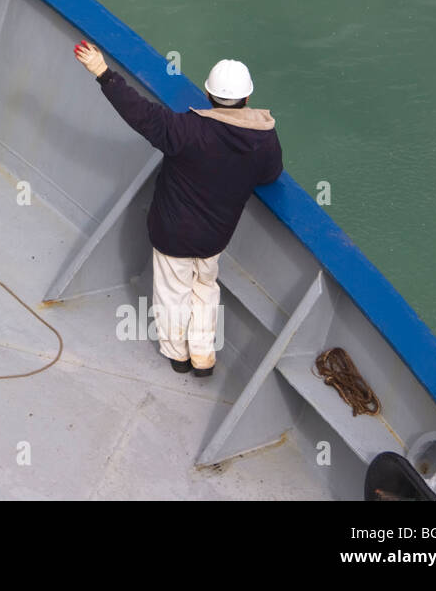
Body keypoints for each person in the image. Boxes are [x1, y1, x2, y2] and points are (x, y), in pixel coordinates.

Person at [74, 41, 283, 377]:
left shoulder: (185, 130)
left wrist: (103, 73)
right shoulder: (264, 140)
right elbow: (271, 174)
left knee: (173, 295)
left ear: (208, 94)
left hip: (173, 235)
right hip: (215, 238)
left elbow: (139, 113)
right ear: (247, 98)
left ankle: (178, 356)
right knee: (205, 289)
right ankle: (203, 355)